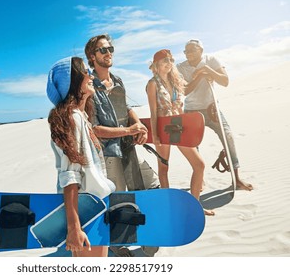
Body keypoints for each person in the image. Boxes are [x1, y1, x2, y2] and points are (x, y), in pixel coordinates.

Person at [84, 34, 160, 256]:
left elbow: (126, 108)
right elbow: (94, 129)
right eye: (103, 50)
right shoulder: (88, 86)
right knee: (116, 200)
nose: (109, 53)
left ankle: (147, 234)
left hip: (128, 148)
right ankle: (116, 245)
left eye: (111, 49)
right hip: (107, 153)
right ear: (92, 56)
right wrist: (129, 130)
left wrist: (137, 124)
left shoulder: (117, 81)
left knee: (151, 183)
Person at [47, 56, 116, 257]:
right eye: (84, 71)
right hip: (87, 210)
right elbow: (70, 176)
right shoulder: (72, 119)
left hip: (95, 205)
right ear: (73, 82)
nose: (89, 75)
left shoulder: (81, 116)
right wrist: (74, 227)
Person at [177, 39, 253, 191]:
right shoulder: (180, 67)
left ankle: (236, 178)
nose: (188, 54)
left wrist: (208, 70)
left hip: (212, 109)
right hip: (192, 110)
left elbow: (225, 81)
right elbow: (184, 91)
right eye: (186, 51)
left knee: (228, 137)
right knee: (193, 145)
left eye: (192, 50)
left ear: (201, 50)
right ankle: (200, 181)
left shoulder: (211, 60)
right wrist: (199, 76)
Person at [146, 49, 214, 216]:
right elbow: (153, 111)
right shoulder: (152, 83)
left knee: (199, 165)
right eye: (164, 60)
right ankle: (168, 208)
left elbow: (188, 90)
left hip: (177, 126)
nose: (169, 63)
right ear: (156, 65)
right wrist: (154, 135)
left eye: (170, 59)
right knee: (163, 169)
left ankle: (194, 206)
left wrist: (203, 77)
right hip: (162, 128)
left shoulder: (176, 80)